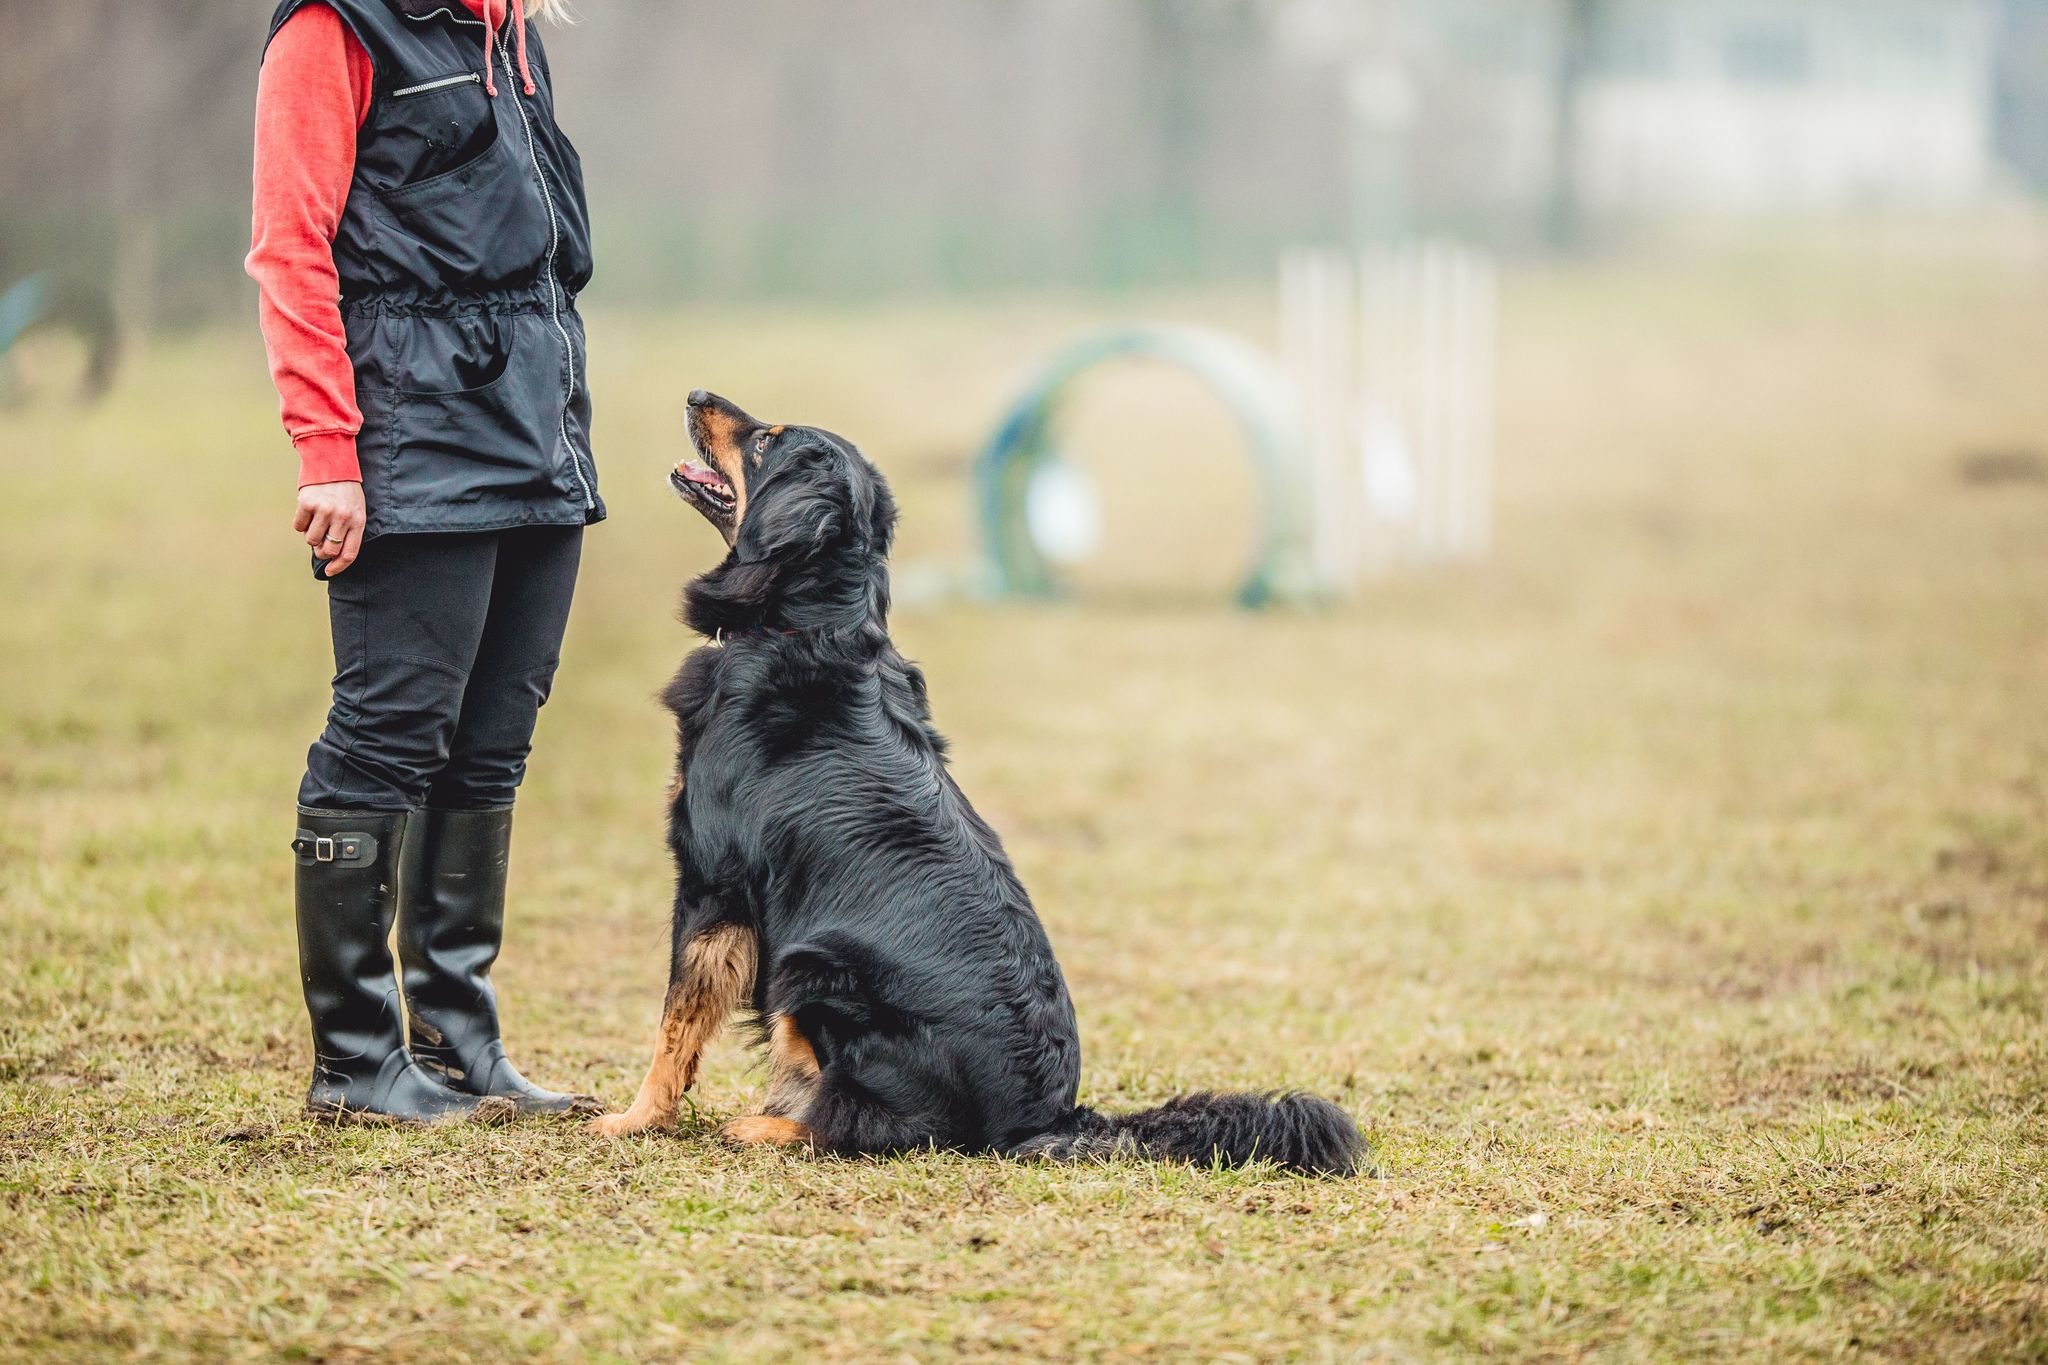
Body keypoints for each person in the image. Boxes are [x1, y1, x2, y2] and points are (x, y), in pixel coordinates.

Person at [247, 0, 602, 1122]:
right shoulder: (331, 32)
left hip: (538, 432)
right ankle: (356, 1063)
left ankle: (456, 1043)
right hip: (411, 440)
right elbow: (289, 247)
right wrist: (326, 451)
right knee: (390, 735)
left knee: (492, 748)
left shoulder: (512, 32)